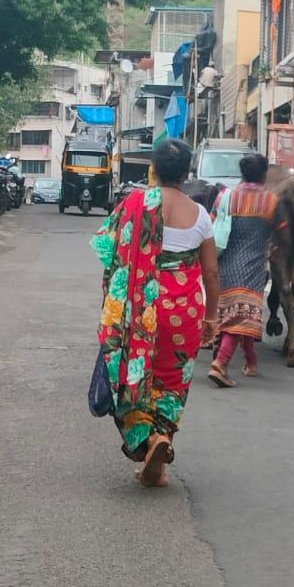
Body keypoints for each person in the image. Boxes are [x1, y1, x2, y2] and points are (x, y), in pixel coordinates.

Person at [90, 138, 220, 487]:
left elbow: (107, 249)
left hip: (140, 308)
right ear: (187, 172)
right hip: (185, 311)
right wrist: (211, 318)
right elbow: (211, 273)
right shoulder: (201, 215)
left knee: (132, 376)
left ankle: (148, 441)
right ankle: (161, 449)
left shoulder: (135, 203)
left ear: (154, 169)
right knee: (172, 381)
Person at [208, 152, 285, 388]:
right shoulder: (271, 201)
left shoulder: (225, 197)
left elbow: (211, 224)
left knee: (237, 314)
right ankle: (220, 364)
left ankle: (251, 362)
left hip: (224, 265)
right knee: (241, 316)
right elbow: (283, 232)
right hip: (251, 268)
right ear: (264, 175)